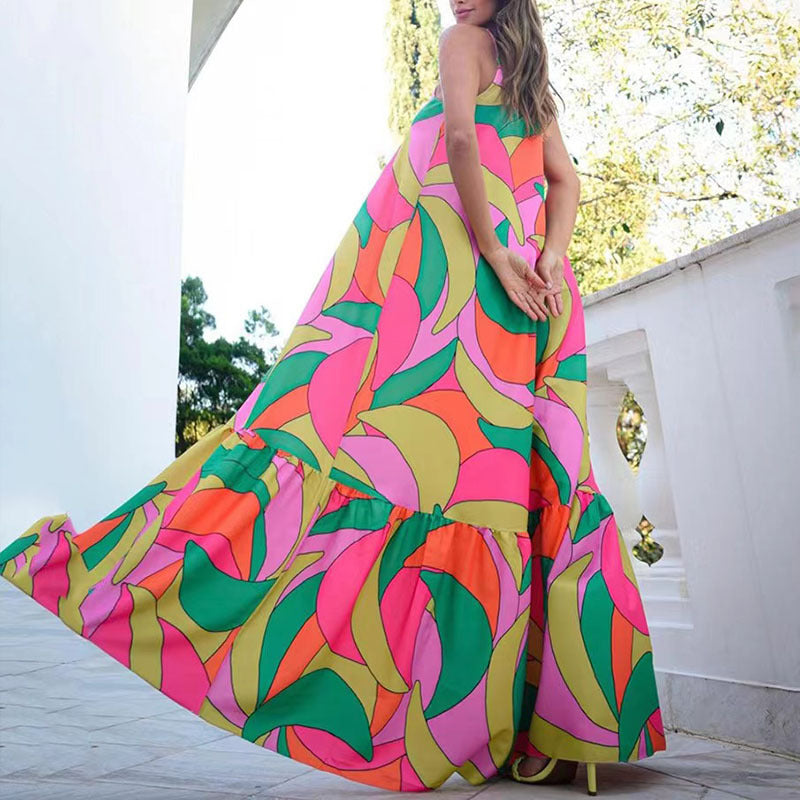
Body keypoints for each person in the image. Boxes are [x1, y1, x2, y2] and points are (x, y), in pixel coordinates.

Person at [0, 0, 666, 794]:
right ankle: (534, 723)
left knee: (377, 459)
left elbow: (459, 139)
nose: (455, 0)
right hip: (519, 314)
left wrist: (494, 251)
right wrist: (550, 256)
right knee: (489, 494)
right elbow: (565, 180)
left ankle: (420, 711)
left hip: (457, 293)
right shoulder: (531, 82)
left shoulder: (462, 44)